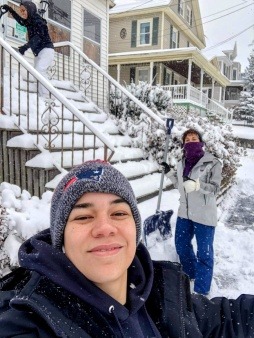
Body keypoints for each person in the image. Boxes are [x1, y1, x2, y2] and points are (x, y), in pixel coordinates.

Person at [0, 160, 254, 338]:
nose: (104, 227)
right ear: (60, 239)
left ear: (135, 228)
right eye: (83, 217)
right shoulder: (32, 323)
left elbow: (229, 320)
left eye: (119, 212)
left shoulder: (162, 297)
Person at [162, 128, 222, 296]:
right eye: (187, 140)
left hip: (204, 215)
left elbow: (215, 189)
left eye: (194, 138)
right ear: (184, 144)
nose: (191, 141)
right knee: (181, 246)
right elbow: (179, 185)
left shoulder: (213, 163)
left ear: (201, 142)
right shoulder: (182, 163)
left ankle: (201, 293)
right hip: (185, 213)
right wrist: (170, 173)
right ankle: (192, 274)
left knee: (204, 254)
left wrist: (198, 186)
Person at [2, 1, 54, 98]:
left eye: (23, 10)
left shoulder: (38, 21)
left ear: (30, 10)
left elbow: (38, 36)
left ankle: (47, 96)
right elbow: (21, 21)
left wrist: (26, 46)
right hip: (38, 52)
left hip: (46, 50)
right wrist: (11, 10)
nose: (22, 13)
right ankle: (41, 96)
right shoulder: (30, 21)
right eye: (20, 10)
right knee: (37, 74)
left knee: (40, 70)